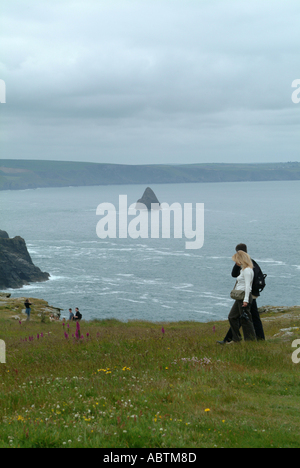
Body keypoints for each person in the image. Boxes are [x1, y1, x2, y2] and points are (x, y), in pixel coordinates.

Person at [218, 243, 265, 344]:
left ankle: (241, 340)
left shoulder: (247, 267)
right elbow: (235, 275)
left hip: (247, 294)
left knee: (244, 318)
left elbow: (241, 279)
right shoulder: (250, 264)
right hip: (249, 294)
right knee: (244, 317)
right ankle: (258, 339)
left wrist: (246, 299)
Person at [227, 250, 257, 342]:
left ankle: (251, 341)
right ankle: (237, 338)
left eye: (236, 260)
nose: (235, 262)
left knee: (246, 320)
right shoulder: (243, 270)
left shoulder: (247, 270)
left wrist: (246, 300)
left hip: (244, 296)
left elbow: (248, 286)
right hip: (240, 297)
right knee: (232, 317)